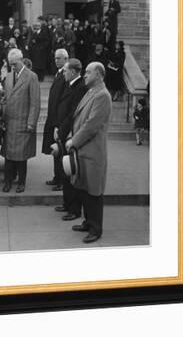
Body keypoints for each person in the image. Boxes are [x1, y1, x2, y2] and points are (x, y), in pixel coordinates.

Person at [65, 62, 112, 243]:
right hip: (83, 151)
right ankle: (88, 221)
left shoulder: (102, 95)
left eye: (88, 72)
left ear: (99, 75)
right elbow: (80, 119)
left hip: (92, 152)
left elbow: (91, 125)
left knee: (94, 192)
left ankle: (96, 228)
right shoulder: (92, 91)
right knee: (84, 189)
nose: (84, 75)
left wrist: (73, 141)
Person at [0, 49, 41, 193]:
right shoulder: (9, 76)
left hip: (23, 122)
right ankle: (7, 182)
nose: (12, 67)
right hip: (10, 122)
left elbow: (35, 102)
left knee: (21, 157)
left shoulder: (32, 77)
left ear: (21, 60)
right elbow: (5, 98)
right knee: (8, 156)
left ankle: (21, 183)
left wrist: (31, 123)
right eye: (10, 64)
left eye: (15, 64)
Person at [52, 59, 87, 220]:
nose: (63, 73)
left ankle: (74, 209)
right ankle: (67, 204)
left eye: (66, 70)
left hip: (70, 134)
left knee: (72, 173)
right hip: (63, 131)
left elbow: (73, 113)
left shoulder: (80, 87)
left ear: (73, 71)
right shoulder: (69, 83)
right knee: (65, 171)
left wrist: (61, 130)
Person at [41, 48, 68, 191]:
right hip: (53, 118)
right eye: (56, 58)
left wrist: (58, 123)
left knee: (60, 151)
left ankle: (61, 180)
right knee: (55, 151)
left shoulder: (65, 75)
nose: (56, 60)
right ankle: (56, 177)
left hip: (58, 121)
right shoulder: (58, 74)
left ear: (66, 59)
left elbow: (62, 102)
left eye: (59, 58)